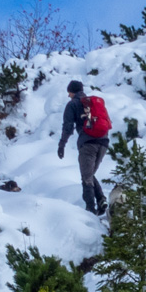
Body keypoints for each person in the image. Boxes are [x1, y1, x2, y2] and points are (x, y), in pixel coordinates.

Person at [58, 79, 110, 215]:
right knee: (90, 174)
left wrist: (62, 144)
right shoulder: (93, 103)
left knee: (86, 178)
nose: (68, 95)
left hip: (88, 144)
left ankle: (90, 211)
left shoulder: (73, 104)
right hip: (104, 142)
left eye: (68, 92)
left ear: (71, 91)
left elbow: (68, 127)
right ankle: (101, 200)